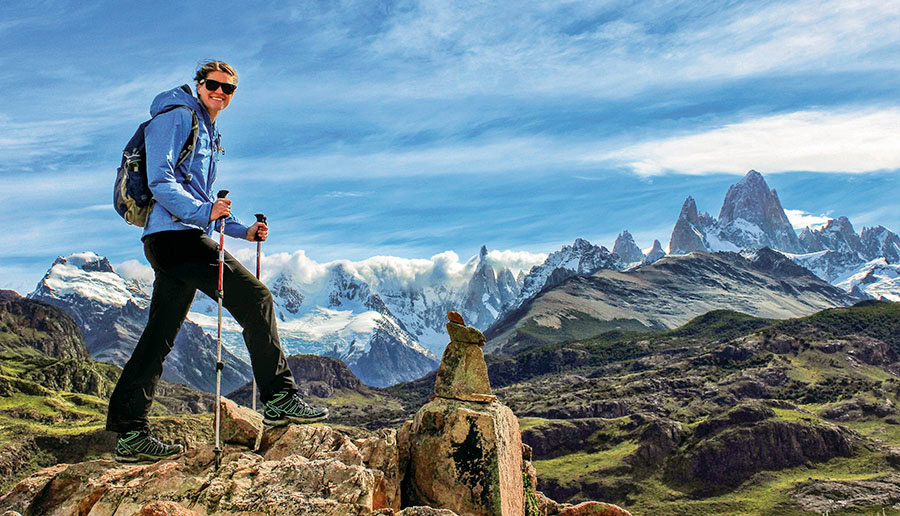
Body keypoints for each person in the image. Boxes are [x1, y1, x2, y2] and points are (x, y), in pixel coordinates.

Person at [107, 60, 327, 463]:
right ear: (199, 84)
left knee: (159, 336)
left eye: (229, 89)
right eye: (213, 85)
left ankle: (129, 431)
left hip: (177, 239)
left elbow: (206, 206)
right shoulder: (177, 116)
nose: (220, 93)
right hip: (176, 240)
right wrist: (204, 213)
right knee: (257, 298)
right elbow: (160, 180)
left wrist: (243, 232)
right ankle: (280, 398)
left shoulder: (206, 129)